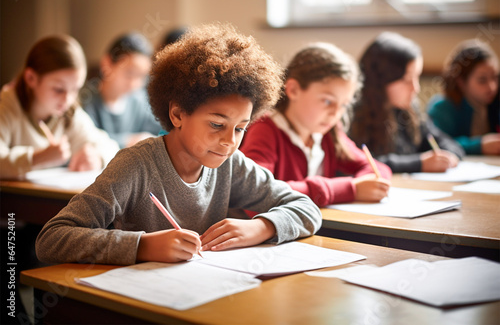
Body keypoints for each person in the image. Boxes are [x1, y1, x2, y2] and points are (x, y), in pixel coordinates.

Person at [36, 23, 322, 265]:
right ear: (177, 114)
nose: (228, 142)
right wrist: (142, 247)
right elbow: (52, 239)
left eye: (240, 129)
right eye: (216, 125)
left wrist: (261, 227)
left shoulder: (230, 164)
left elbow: (306, 208)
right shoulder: (135, 166)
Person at [240, 42, 391, 208]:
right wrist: (348, 189)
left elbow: (376, 168)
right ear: (293, 90)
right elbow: (255, 193)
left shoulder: (327, 130)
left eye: (344, 105)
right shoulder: (265, 129)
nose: (336, 113)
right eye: (327, 101)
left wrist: (371, 184)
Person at [0, 35, 119, 179]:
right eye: (58, 89)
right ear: (31, 78)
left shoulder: (68, 113)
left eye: (75, 89)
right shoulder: (7, 104)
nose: (68, 99)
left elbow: (110, 146)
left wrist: (97, 157)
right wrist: (39, 158)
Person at [349, 32, 464, 173]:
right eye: (407, 80)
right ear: (381, 80)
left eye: (417, 77)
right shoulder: (354, 115)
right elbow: (358, 163)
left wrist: (448, 156)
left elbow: (444, 142)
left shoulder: (408, 109)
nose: (416, 88)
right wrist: (418, 164)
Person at [80, 32, 162, 148]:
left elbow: (162, 130)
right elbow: (84, 139)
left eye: (142, 76)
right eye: (130, 73)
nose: (134, 83)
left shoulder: (140, 101)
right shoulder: (86, 100)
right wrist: (128, 141)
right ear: (107, 64)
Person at [427, 39, 500, 155]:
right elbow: (438, 144)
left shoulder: (495, 104)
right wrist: (479, 146)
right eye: (482, 80)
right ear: (461, 81)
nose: (492, 87)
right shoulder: (442, 108)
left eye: (495, 77)